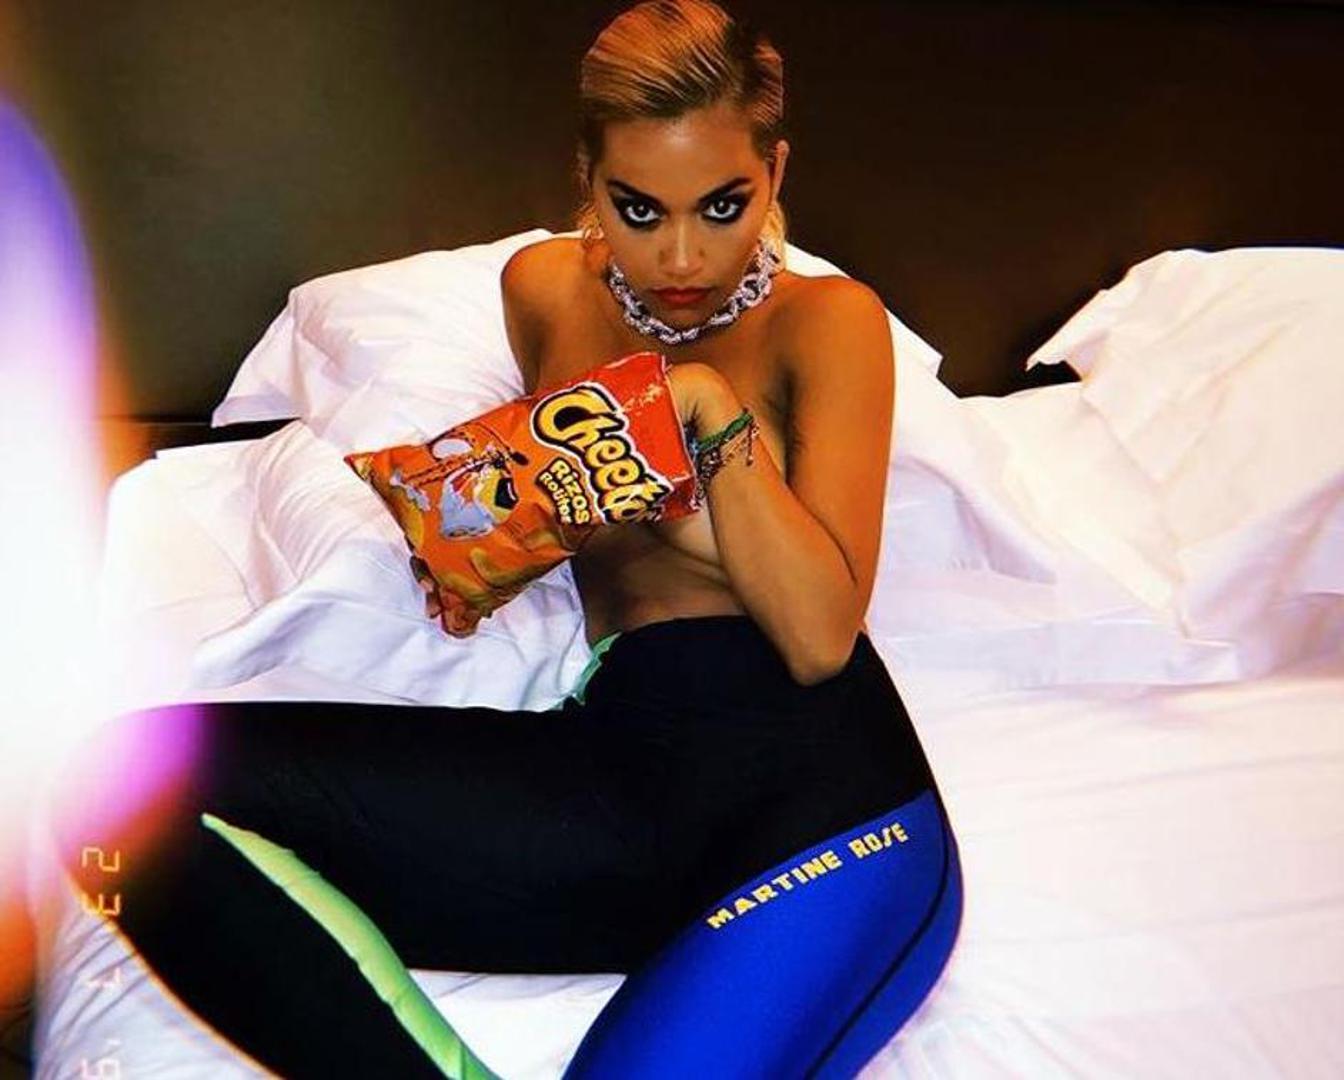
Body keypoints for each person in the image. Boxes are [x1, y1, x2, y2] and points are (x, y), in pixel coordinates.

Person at [51, 1, 962, 1076]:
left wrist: (704, 412)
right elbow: (577, 515)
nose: (683, 255)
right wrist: (491, 532)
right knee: (108, 795)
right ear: (588, 177)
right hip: (610, 772)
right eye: (638, 208)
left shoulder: (828, 319)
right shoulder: (543, 293)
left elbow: (818, 632)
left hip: (820, 802)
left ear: (776, 170)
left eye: (724, 206)